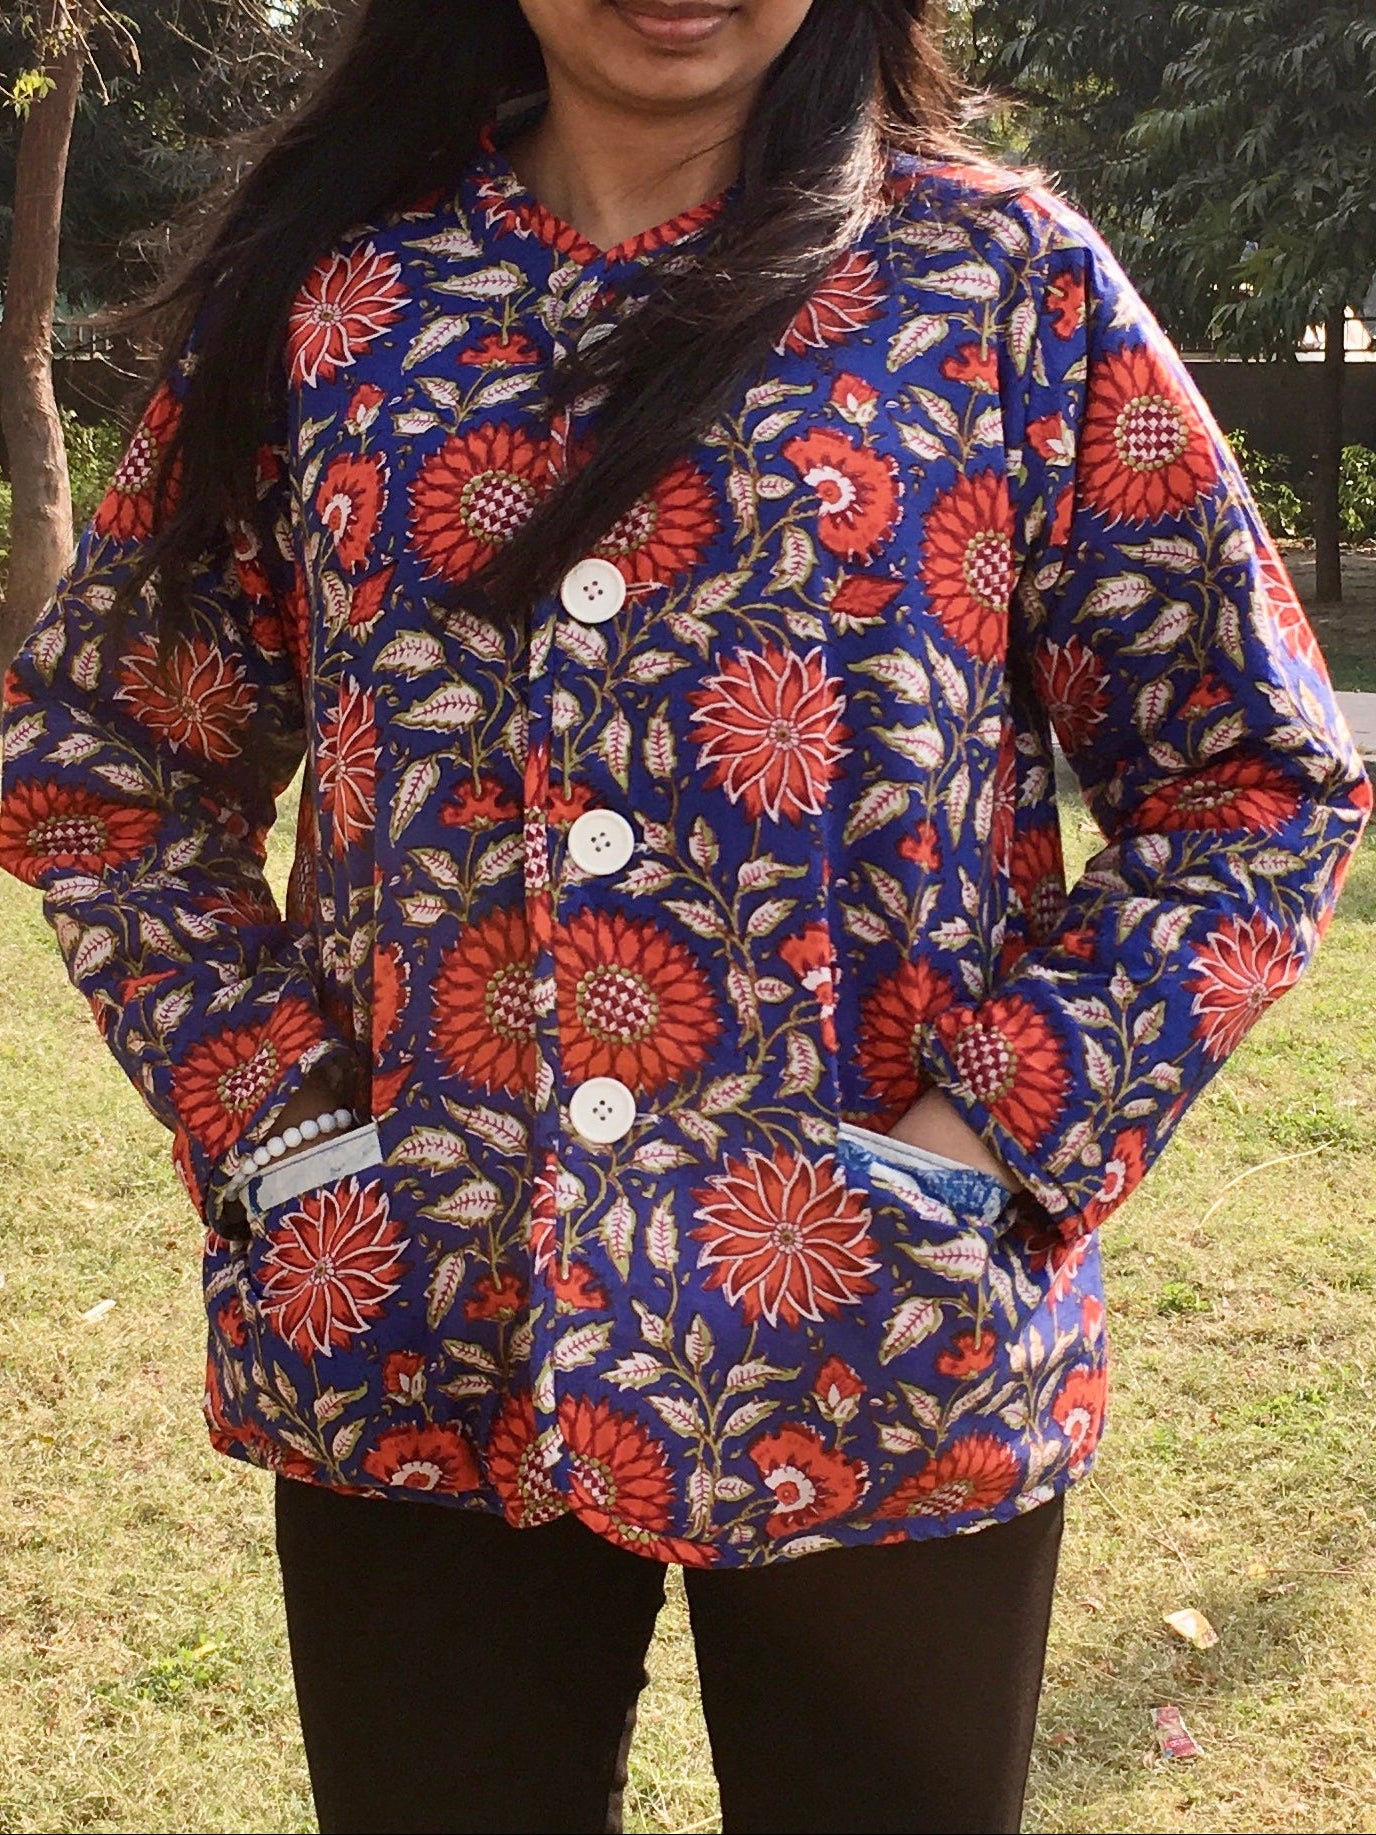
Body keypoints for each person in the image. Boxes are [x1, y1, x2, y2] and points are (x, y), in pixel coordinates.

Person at [0, 2, 1369, 1830]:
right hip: (417, 1324)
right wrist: (282, 1134)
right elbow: (109, 767)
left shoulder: (997, 286)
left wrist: (987, 1148)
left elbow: (1255, 779)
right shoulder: (336, 301)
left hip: (882, 1341)